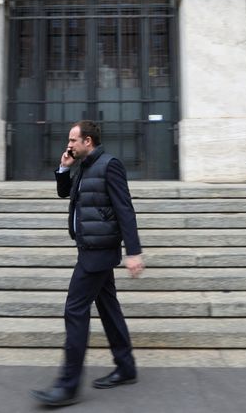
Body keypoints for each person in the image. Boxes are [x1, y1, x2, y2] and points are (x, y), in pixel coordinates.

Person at [31, 120, 146, 407]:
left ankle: (68, 386)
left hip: (98, 251)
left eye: (73, 140)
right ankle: (126, 366)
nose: (68, 144)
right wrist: (63, 168)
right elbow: (64, 193)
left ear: (88, 141)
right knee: (108, 308)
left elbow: (125, 209)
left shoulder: (110, 165)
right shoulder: (84, 165)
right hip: (89, 248)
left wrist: (134, 251)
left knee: (74, 309)